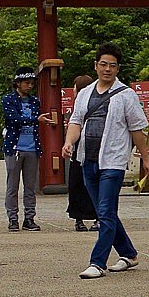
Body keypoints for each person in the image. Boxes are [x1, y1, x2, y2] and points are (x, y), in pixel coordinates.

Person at [62, 43, 149, 280]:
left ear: (117, 69)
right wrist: (69, 143)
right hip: (87, 159)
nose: (107, 69)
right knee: (105, 212)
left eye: (112, 65)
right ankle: (129, 254)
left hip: (113, 161)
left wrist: (145, 158)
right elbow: (75, 121)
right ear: (96, 66)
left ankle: (97, 262)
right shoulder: (85, 93)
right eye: (103, 64)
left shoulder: (126, 95)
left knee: (104, 212)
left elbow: (136, 129)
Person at [2, 67, 52, 232]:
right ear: (18, 83)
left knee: (30, 187)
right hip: (14, 147)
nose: (29, 86)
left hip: (32, 147)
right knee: (12, 186)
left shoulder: (35, 101)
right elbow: (13, 119)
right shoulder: (8, 99)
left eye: (32, 83)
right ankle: (13, 218)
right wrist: (35, 119)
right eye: (26, 83)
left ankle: (29, 218)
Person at [65, 75, 99, 232]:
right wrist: (69, 142)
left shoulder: (93, 103)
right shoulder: (78, 105)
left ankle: (92, 217)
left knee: (88, 183)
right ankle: (82, 218)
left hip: (92, 147)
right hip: (79, 148)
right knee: (77, 182)